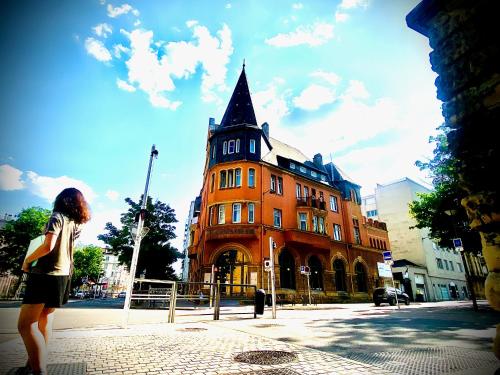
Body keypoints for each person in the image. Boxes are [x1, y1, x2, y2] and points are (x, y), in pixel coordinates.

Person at [17, 188, 91, 374]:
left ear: (61, 200)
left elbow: (48, 246)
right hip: (63, 275)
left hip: (45, 274)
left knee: (25, 325)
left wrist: (27, 260)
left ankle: (39, 370)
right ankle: (34, 360)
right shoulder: (76, 223)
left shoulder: (56, 217)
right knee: (45, 319)